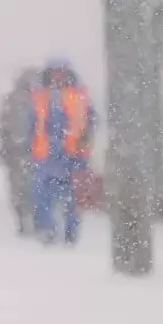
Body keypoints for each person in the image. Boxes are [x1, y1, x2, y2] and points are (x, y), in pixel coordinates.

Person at [27, 58, 96, 245]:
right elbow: (32, 124)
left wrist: (83, 144)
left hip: (74, 156)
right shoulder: (40, 97)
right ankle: (47, 231)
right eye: (54, 72)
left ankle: (70, 234)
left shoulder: (80, 96)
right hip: (46, 156)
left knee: (72, 198)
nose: (58, 76)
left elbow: (90, 122)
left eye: (62, 72)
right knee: (42, 196)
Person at [0, 67, 41, 235]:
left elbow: (3, 128)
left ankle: (25, 221)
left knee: (20, 189)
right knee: (28, 188)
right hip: (26, 153)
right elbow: (3, 128)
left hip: (22, 153)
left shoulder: (13, 100)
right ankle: (29, 221)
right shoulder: (38, 100)